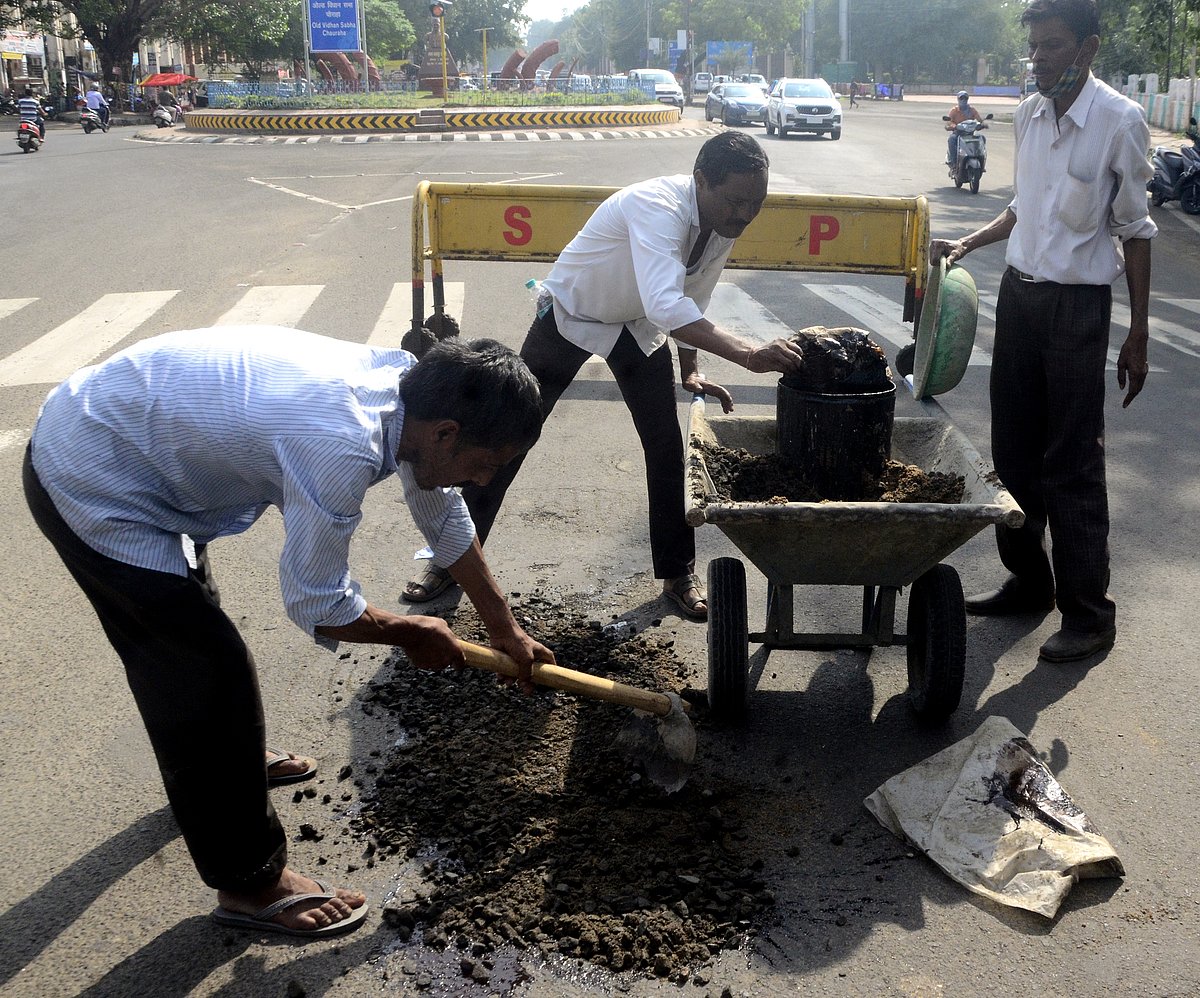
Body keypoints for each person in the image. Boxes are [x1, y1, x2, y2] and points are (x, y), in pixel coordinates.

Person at [23, 327, 554, 938]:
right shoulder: (339, 442)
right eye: (486, 465)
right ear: (446, 435)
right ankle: (250, 883)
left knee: (190, 652)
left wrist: (503, 626)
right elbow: (319, 602)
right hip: (93, 475)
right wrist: (411, 632)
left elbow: (439, 509)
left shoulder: (408, 395)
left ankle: (223, 768)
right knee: (204, 669)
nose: (484, 481)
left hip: (134, 441)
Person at [402, 132, 805, 622]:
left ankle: (678, 573)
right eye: (737, 201)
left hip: (635, 328)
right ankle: (449, 561)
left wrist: (691, 366)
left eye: (755, 204)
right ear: (701, 180)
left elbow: (691, 296)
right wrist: (747, 354)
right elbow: (665, 302)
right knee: (504, 438)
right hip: (571, 314)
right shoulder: (659, 206)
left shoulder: (721, 220)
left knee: (665, 448)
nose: (744, 215)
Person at [929, 0, 1155, 663]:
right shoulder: (1028, 114)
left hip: (1077, 309)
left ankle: (1089, 615)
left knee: (1072, 463)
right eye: (1034, 47)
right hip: (1019, 300)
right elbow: (1024, 207)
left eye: (1052, 47)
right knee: (1016, 454)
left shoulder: (1120, 121)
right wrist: (968, 242)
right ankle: (1030, 583)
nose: (1039, 59)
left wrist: (1138, 333)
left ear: (1087, 50)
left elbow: (1137, 232)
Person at [945, 90, 982, 165]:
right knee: (951, 140)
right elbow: (949, 122)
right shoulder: (954, 110)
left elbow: (979, 119)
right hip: (958, 133)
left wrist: (981, 124)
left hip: (970, 134)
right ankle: (954, 162)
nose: (963, 100)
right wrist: (954, 126)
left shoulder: (972, 110)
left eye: (965, 98)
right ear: (958, 99)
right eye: (961, 98)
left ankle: (981, 161)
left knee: (982, 138)